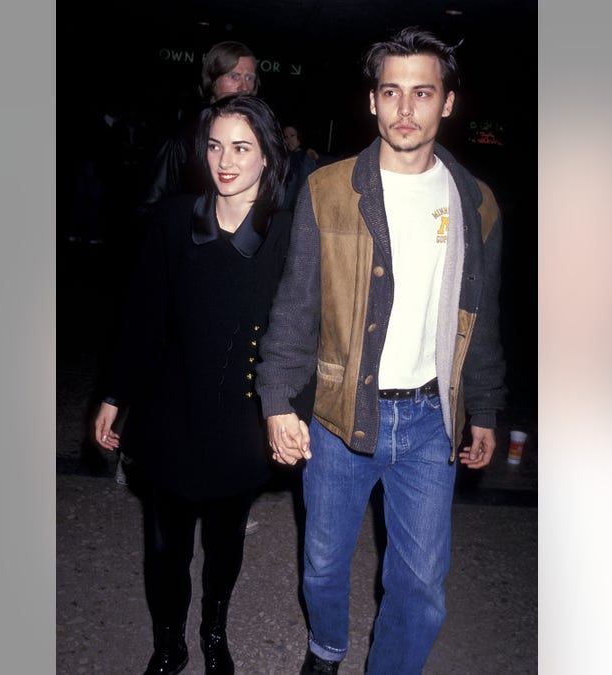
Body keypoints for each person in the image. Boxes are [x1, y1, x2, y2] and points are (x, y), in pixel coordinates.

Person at [256, 27, 508, 675]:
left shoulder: (476, 204)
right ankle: (327, 648)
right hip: (340, 414)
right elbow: (295, 304)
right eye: (391, 91)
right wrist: (278, 400)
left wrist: (483, 404)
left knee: (421, 582)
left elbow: (477, 317)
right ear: (372, 99)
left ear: (446, 102)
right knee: (322, 562)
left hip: (429, 420)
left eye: (422, 93)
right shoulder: (329, 189)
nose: (404, 109)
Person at [94, 94, 291, 675]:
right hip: (170, 411)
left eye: (241, 148)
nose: (224, 161)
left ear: (266, 157)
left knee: (224, 545)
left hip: (240, 417)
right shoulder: (176, 219)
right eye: (214, 146)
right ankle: (168, 644)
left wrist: (290, 411)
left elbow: (301, 332)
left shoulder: (287, 233)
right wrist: (114, 393)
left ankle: (212, 633)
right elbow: (143, 315)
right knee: (164, 546)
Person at [138, 40, 261, 217]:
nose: (244, 88)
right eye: (234, 76)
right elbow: (152, 202)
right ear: (213, 80)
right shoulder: (185, 134)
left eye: (249, 78)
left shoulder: (258, 131)